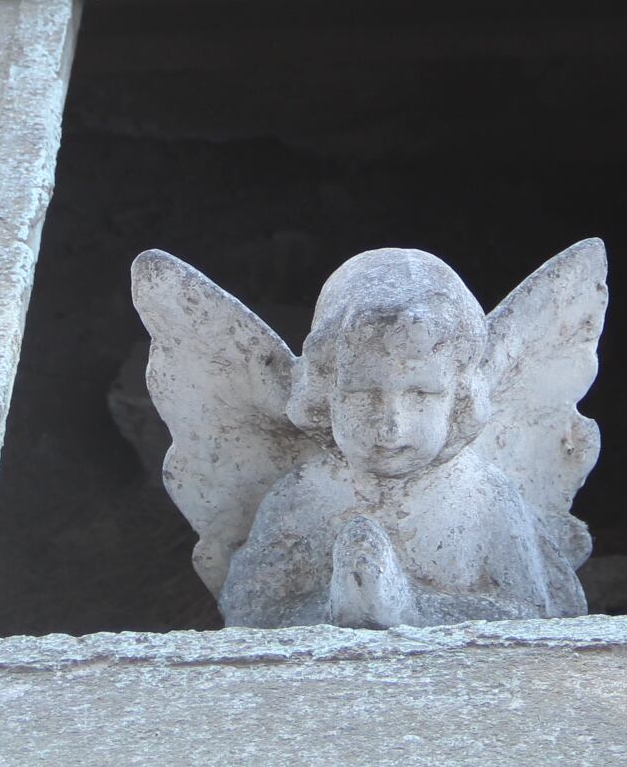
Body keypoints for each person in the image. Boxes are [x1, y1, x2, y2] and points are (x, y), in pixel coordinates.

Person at [218, 249, 589, 628]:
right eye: (362, 393)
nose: (390, 424)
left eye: (421, 394)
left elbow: (536, 616)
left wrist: (407, 609)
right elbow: (248, 613)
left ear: (459, 399)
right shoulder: (301, 497)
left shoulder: (484, 498)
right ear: (325, 395)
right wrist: (338, 607)